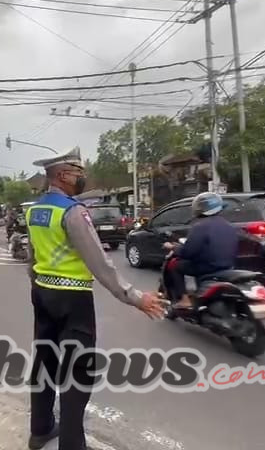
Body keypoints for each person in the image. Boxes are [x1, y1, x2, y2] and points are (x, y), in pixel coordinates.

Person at [25, 147, 167, 450]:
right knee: (78, 371)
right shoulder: (72, 212)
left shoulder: (35, 210)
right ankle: (72, 445)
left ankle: (40, 431)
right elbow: (99, 263)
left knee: (45, 363)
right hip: (73, 298)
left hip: (42, 293)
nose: (82, 178)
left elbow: (32, 256)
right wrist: (135, 297)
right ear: (63, 175)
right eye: (78, 173)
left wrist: (38, 285)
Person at [162, 191, 240, 310]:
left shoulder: (200, 227)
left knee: (175, 265)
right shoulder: (229, 225)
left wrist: (173, 247)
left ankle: (185, 300)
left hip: (208, 267)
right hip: (228, 266)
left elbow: (188, 253)